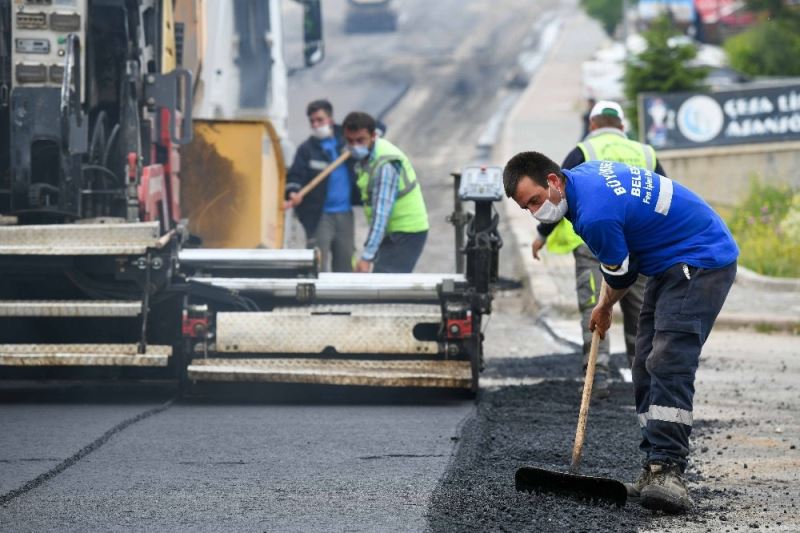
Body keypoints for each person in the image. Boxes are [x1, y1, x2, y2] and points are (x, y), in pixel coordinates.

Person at [504, 152, 738, 514]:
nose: (536, 212)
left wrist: (603, 306)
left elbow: (622, 274)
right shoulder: (582, 178)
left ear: (552, 180)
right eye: (526, 208)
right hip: (667, 261)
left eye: (535, 200)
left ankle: (669, 471)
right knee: (643, 362)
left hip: (701, 257)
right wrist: (605, 303)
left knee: (668, 360)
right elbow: (619, 259)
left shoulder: (593, 215)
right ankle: (652, 466)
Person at [532, 100, 667, 397]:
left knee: (594, 306)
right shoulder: (646, 153)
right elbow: (663, 195)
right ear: (622, 126)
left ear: (592, 125)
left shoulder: (582, 151)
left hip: (592, 243)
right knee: (642, 312)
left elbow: (558, 195)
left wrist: (542, 234)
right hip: (637, 245)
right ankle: (644, 381)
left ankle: (597, 376)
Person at [341, 111, 429, 273]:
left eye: (360, 140)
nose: (355, 146)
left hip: (406, 231)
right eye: (350, 141)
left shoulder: (385, 164)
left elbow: (381, 214)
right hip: (393, 231)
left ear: (373, 136)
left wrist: (367, 257)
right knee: (383, 281)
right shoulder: (367, 157)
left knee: (386, 282)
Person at [284, 99, 360, 272]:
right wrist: (293, 192)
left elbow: (374, 129)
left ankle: (342, 291)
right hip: (319, 216)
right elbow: (295, 176)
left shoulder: (347, 140)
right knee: (317, 265)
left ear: (330, 119)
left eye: (320, 120)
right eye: (312, 121)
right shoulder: (307, 149)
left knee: (346, 262)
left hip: (345, 214)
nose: (315, 125)